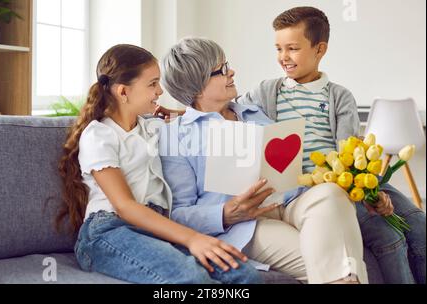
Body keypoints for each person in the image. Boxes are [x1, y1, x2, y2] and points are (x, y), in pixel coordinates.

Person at [236, 6, 426, 284]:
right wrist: (180, 113)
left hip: (352, 178)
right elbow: (228, 108)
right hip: (319, 189)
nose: (283, 57)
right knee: (390, 237)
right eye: (278, 48)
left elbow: (349, 151)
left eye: (292, 48)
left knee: (418, 222)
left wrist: (372, 194)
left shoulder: (339, 97)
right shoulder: (266, 92)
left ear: (319, 49)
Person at [159, 37, 369, 284]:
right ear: (197, 87)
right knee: (334, 261)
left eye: (228, 64)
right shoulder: (177, 136)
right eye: (222, 70)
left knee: (331, 194)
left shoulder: (252, 111)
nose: (232, 72)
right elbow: (179, 213)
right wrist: (225, 213)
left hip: (292, 200)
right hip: (249, 223)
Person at [55, 44, 263, 284]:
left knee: (244, 273)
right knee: (190, 277)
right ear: (123, 92)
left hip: (153, 229)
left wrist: (177, 112)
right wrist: (193, 238)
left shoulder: (151, 128)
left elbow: (192, 120)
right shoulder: (100, 135)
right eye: (153, 84)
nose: (160, 90)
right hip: (110, 231)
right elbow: (125, 206)